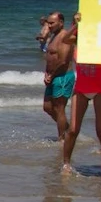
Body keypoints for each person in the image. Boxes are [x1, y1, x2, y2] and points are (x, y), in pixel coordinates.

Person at [58, 13, 101, 180]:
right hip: (81, 88)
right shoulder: (77, 41)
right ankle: (66, 164)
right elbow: (65, 39)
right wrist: (77, 25)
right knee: (73, 130)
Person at [38, 11, 73, 141]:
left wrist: (51, 75)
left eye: (52, 23)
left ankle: (62, 139)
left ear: (61, 23)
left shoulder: (64, 37)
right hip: (52, 76)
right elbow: (51, 58)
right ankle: (68, 129)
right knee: (47, 107)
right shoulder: (53, 36)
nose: (50, 25)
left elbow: (63, 61)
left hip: (62, 76)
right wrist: (47, 73)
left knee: (59, 109)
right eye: (48, 23)